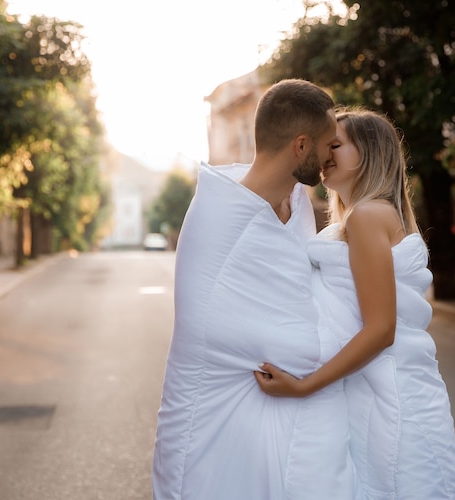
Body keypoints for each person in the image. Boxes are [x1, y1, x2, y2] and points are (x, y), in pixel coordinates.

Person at [152, 80, 360, 500]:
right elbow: (243, 334)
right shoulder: (220, 214)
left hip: (278, 430)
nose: (328, 158)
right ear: (300, 146)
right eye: (326, 145)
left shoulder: (298, 203)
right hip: (209, 437)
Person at [255, 107, 455, 499]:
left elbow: (381, 329)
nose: (324, 154)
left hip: (395, 398)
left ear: (369, 153)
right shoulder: (364, 217)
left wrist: (305, 386)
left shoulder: (367, 217)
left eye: (335, 144)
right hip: (384, 393)